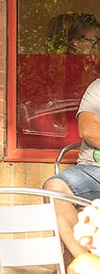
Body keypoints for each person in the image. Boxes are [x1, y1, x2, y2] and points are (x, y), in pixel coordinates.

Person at [44, 78, 100, 258]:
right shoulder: (98, 88)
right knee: (54, 190)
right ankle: (87, 266)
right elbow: (88, 130)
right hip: (93, 171)